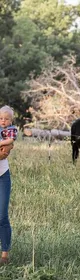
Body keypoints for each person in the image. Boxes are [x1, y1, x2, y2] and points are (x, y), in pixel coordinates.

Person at [0, 105, 18, 265]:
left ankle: (4, 254)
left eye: (6, 118)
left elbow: (7, 148)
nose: (3, 121)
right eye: (1, 118)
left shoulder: (10, 130)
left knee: (2, 216)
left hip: (2, 175)